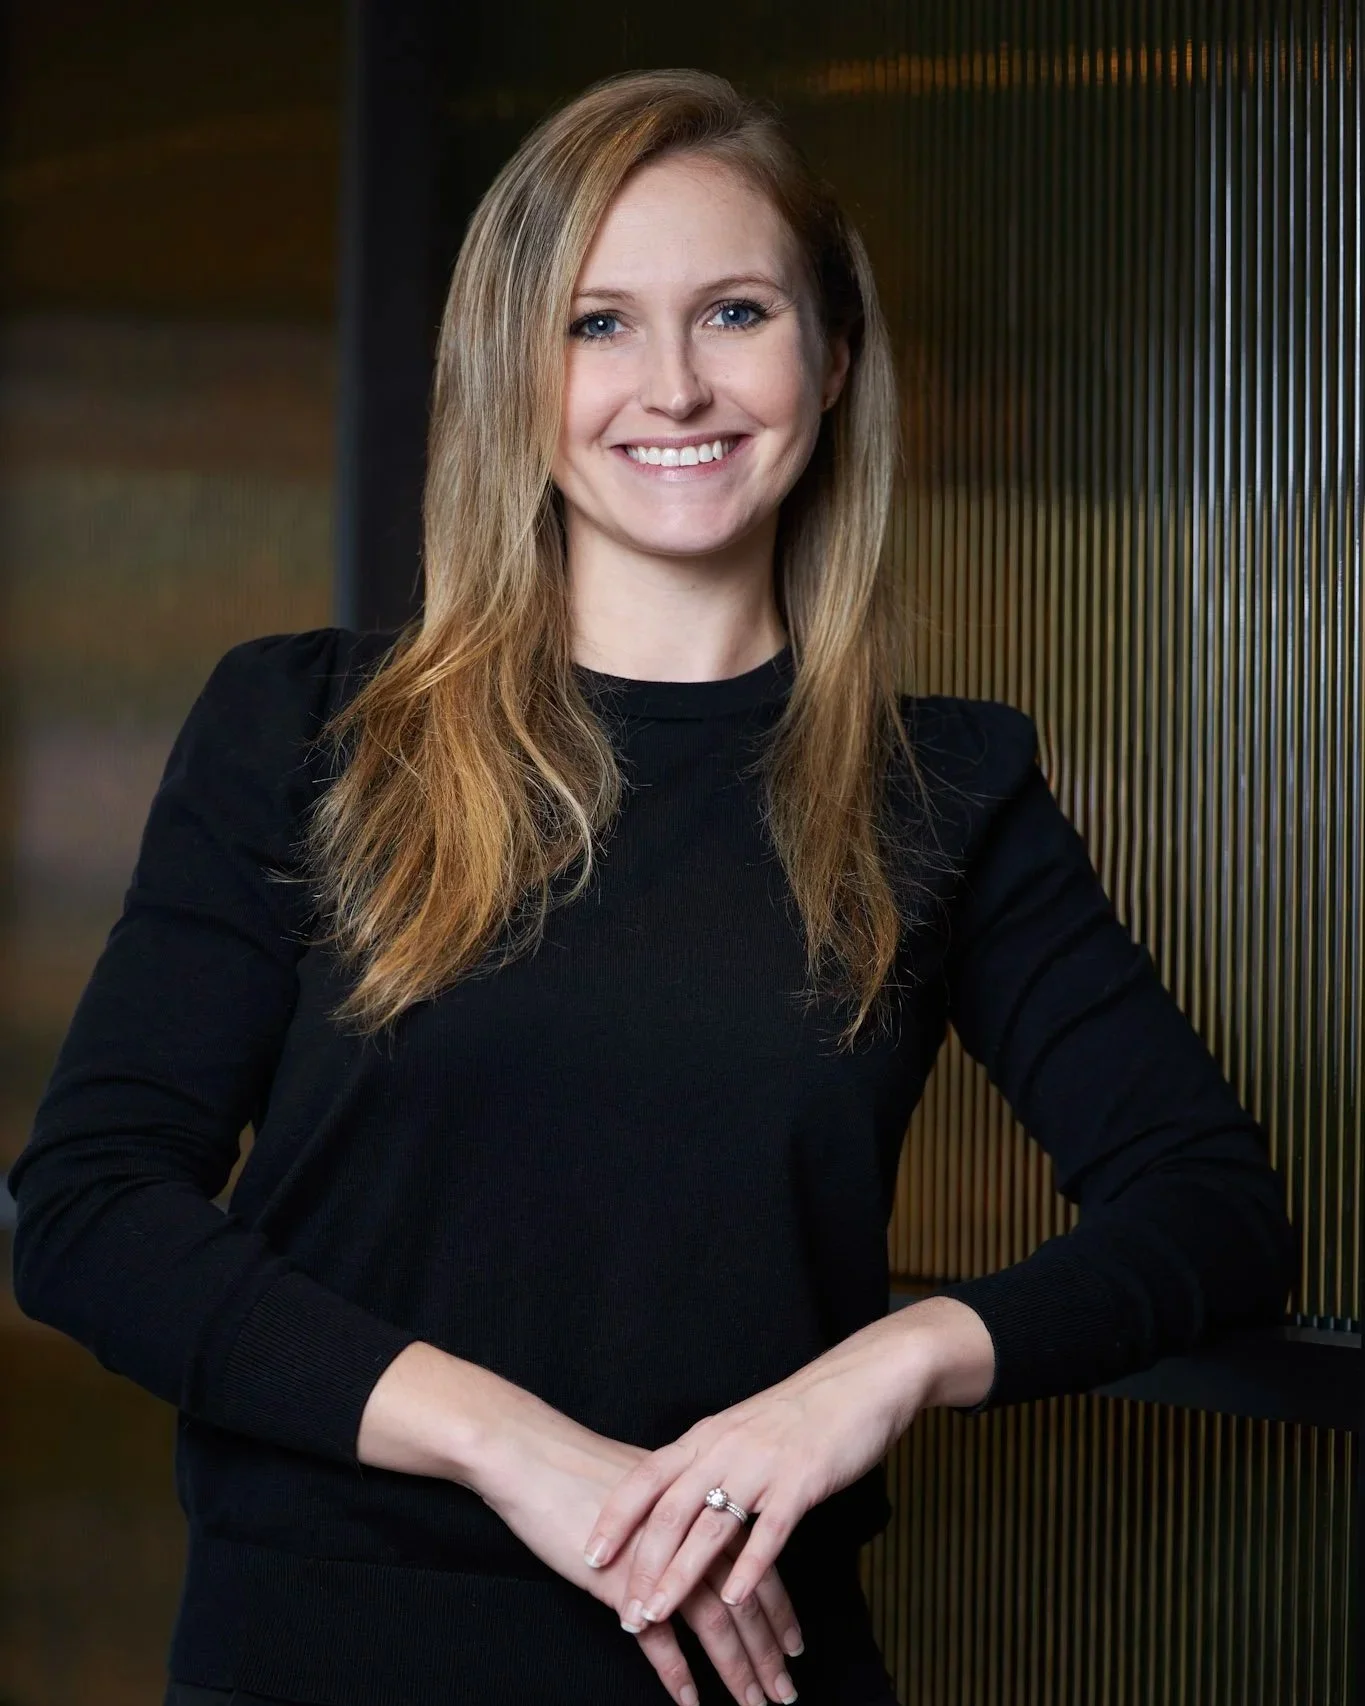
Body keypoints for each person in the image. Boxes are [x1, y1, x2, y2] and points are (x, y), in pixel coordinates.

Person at [6, 66, 1297, 1706]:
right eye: (596, 323)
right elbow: (94, 1211)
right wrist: (520, 1454)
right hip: (318, 1658)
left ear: (831, 358)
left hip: (745, 1674)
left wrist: (871, 1376)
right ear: (509, 374)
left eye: (736, 311)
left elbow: (1211, 1209)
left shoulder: (945, 792)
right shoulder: (303, 732)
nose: (672, 386)